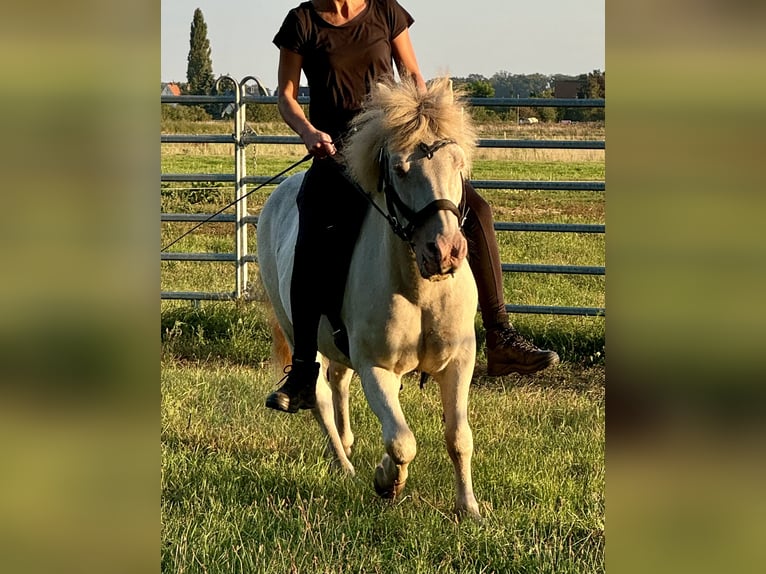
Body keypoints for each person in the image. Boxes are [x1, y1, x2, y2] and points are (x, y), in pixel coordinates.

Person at [265, 0, 559, 414]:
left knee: (477, 210)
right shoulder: (301, 22)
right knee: (311, 232)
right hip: (338, 153)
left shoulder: (385, 10)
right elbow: (287, 96)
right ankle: (302, 370)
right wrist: (308, 130)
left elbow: (415, 77)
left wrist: (428, 126)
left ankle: (500, 335)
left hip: (396, 147)